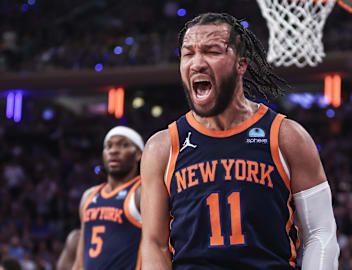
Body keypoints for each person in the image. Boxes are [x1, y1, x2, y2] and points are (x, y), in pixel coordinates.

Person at [140, 12, 339, 270]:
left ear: (241, 64)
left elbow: (320, 233)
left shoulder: (287, 136)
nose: (197, 63)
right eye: (188, 53)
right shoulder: (162, 147)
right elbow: (154, 244)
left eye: (211, 51)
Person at [72, 126, 144, 270]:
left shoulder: (142, 191)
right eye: (108, 146)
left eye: (123, 145)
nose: (114, 151)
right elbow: (80, 258)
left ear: (138, 154)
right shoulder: (89, 196)